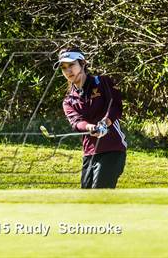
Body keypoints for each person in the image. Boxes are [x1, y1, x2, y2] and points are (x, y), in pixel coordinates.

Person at [54, 47, 127, 189]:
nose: (68, 71)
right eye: (63, 68)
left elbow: (115, 107)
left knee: (99, 195)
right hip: (89, 153)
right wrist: (90, 127)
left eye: (71, 65)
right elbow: (76, 122)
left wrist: (104, 123)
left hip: (112, 149)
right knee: (87, 200)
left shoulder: (103, 82)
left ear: (83, 63)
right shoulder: (68, 100)